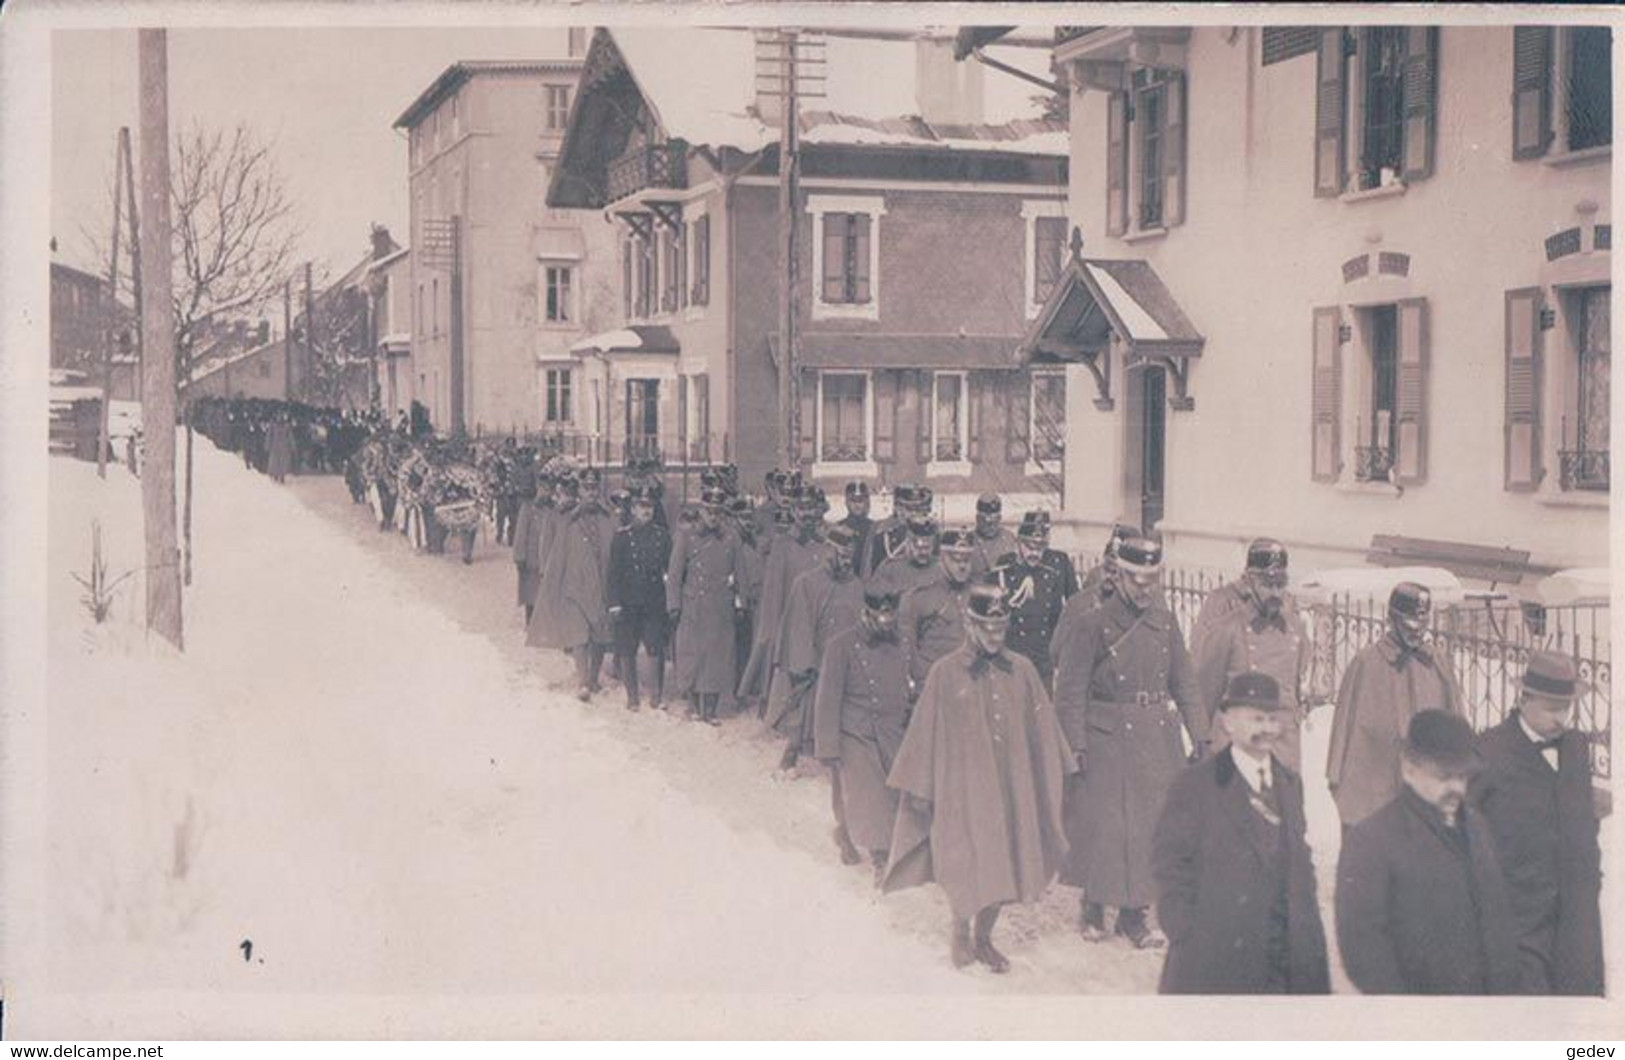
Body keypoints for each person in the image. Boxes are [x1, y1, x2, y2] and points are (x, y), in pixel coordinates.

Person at [884, 579, 1076, 974]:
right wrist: (922, 787)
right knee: (964, 860)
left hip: (1008, 784)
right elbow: (924, 733)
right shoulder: (944, 673)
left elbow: (1044, 730)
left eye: (1001, 629)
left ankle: (984, 938)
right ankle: (959, 929)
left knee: (1003, 860)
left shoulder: (1021, 670)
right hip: (961, 789)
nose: (993, 636)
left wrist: (1057, 770)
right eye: (986, 628)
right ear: (969, 624)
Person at [1051, 530, 1206, 949]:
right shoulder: (1092, 623)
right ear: (1118, 575)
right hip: (1107, 734)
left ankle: (1134, 914)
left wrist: (1202, 737)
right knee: (1107, 825)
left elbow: (1185, 683)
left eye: (1150, 580)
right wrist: (1076, 745)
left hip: (1154, 734)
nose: (1143, 588)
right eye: (1136, 579)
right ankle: (1094, 904)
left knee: (1147, 825)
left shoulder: (1165, 621)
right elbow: (1070, 690)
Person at [1152, 672, 1330, 994]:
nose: (1266, 729)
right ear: (1228, 722)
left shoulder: (1290, 785)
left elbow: (1299, 867)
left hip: (1282, 963)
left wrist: (1309, 943)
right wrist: (1187, 934)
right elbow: (1169, 866)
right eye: (1255, 718)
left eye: (1272, 719)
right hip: (1215, 961)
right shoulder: (1195, 786)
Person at [1336, 710, 1519, 995]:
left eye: (1463, 776)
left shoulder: (1478, 827)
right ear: (1409, 768)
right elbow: (1364, 952)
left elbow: (1499, 923)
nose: (1457, 788)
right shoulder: (1372, 840)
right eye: (1444, 776)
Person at [1471, 652, 1605, 995]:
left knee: (1577, 1027)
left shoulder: (1576, 747)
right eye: (1552, 708)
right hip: (1519, 926)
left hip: (1576, 923)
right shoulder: (1489, 751)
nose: (1563, 718)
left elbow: (1582, 818)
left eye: (1568, 707)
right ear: (1524, 700)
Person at [1327, 581, 1462, 827]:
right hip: (1374, 791)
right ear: (1392, 619)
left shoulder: (1438, 665)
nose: (1417, 632)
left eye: (1423, 624)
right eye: (1409, 624)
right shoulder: (1365, 663)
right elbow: (1343, 728)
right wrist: (1336, 777)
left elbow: (1456, 723)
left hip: (1424, 791)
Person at [814, 587, 911, 880]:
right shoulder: (841, 645)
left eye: (890, 617)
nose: (885, 623)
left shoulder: (903, 643)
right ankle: (868, 850)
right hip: (855, 730)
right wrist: (828, 746)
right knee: (863, 790)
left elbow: (912, 679)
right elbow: (828, 697)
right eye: (879, 616)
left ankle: (873, 841)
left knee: (890, 790)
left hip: (891, 729)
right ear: (865, 614)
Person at [1191, 538, 1311, 772]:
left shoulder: (1295, 629)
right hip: (1238, 750)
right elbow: (1205, 696)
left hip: (1282, 750)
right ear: (1249, 582)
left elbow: (1296, 684)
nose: (1276, 592)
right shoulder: (1226, 630)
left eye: (1280, 584)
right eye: (1268, 584)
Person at [764, 523, 866, 778]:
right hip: (816, 660)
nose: (846, 562)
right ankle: (789, 759)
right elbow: (798, 625)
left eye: (849, 556)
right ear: (829, 552)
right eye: (841, 555)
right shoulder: (807, 583)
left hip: (845, 660)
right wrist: (805, 663)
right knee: (803, 712)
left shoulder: (856, 585)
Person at [527, 467, 617, 701]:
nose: (591, 493)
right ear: (579, 491)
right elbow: (552, 549)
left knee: (600, 632)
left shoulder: (609, 517)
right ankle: (582, 681)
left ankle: (594, 677)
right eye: (587, 489)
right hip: (574, 583)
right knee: (580, 634)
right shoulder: (566, 517)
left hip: (602, 583)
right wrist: (550, 574)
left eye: (594, 488)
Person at [737, 485, 826, 709]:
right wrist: (773, 627)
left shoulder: (825, 545)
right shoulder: (782, 546)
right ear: (794, 511)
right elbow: (774, 593)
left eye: (811, 508)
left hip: (820, 620)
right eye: (802, 508)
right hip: (791, 619)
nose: (807, 514)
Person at [666, 486, 747, 724]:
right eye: (709, 511)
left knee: (716, 656)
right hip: (693, 605)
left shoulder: (731, 538)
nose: (713, 517)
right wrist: (674, 604)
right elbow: (674, 574)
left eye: (719, 512)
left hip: (719, 606)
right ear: (701, 510)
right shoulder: (686, 536)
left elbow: (740, 574)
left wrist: (741, 604)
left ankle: (710, 709)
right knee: (692, 654)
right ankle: (692, 703)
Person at [989, 510, 1077, 688]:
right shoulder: (1004, 567)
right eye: (1030, 547)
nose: (1035, 553)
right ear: (1019, 542)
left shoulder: (1055, 566)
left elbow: (1073, 606)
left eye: (1040, 547)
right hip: (1013, 651)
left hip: (1044, 653)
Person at [608, 486, 673, 712]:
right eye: (641, 507)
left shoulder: (662, 536)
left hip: (654, 600)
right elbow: (613, 574)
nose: (646, 511)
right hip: (628, 602)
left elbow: (670, 570)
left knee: (655, 647)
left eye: (650, 507)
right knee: (628, 648)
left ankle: (656, 695)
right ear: (633, 509)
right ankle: (632, 696)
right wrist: (614, 603)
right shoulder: (622, 538)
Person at [898, 527, 977, 697]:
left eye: (967, 560)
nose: (962, 566)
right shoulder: (919, 597)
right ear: (942, 558)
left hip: (972, 687)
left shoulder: (979, 595)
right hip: (933, 687)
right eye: (956, 560)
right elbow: (906, 648)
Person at [512, 471, 554, 624]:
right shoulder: (528, 508)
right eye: (543, 488)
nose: (546, 492)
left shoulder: (552, 509)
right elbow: (521, 533)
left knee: (546, 591)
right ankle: (530, 620)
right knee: (531, 592)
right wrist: (519, 556)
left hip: (548, 557)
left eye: (549, 489)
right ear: (538, 487)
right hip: (531, 559)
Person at [865, 483, 931, 578]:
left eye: (919, 510)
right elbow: (868, 572)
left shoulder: (933, 535)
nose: (914, 514)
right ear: (897, 508)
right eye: (909, 509)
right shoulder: (881, 532)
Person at [870, 514, 940, 597]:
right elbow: (873, 596)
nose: (923, 552)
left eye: (927, 548)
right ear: (908, 543)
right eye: (918, 548)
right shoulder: (890, 568)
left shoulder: (942, 569)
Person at [969, 493, 1019, 576]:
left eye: (995, 522)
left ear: (1000, 518)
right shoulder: (969, 541)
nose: (990, 527)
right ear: (977, 518)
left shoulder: (1009, 538)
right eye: (985, 522)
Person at [837, 481, 875, 576]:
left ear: (867, 502)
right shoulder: (838, 528)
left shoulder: (875, 528)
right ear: (846, 502)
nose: (857, 505)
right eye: (853, 500)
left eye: (860, 501)